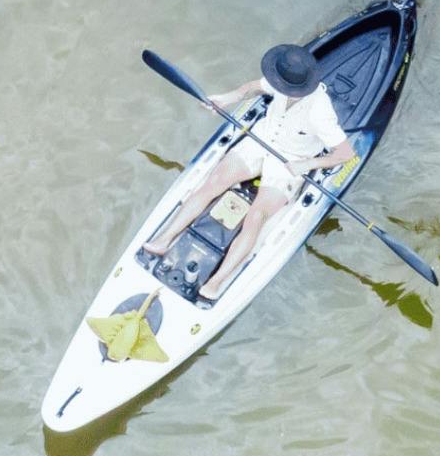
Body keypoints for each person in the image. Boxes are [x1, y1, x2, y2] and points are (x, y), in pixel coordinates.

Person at [137, 43, 354, 304]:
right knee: (211, 184)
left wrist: (306, 166)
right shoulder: (280, 79)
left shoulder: (320, 112)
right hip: (259, 139)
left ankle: (215, 283)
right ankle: (164, 240)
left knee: (256, 216)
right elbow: (252, 87)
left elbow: (344, 154)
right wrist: (227, 98)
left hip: (291, 161)